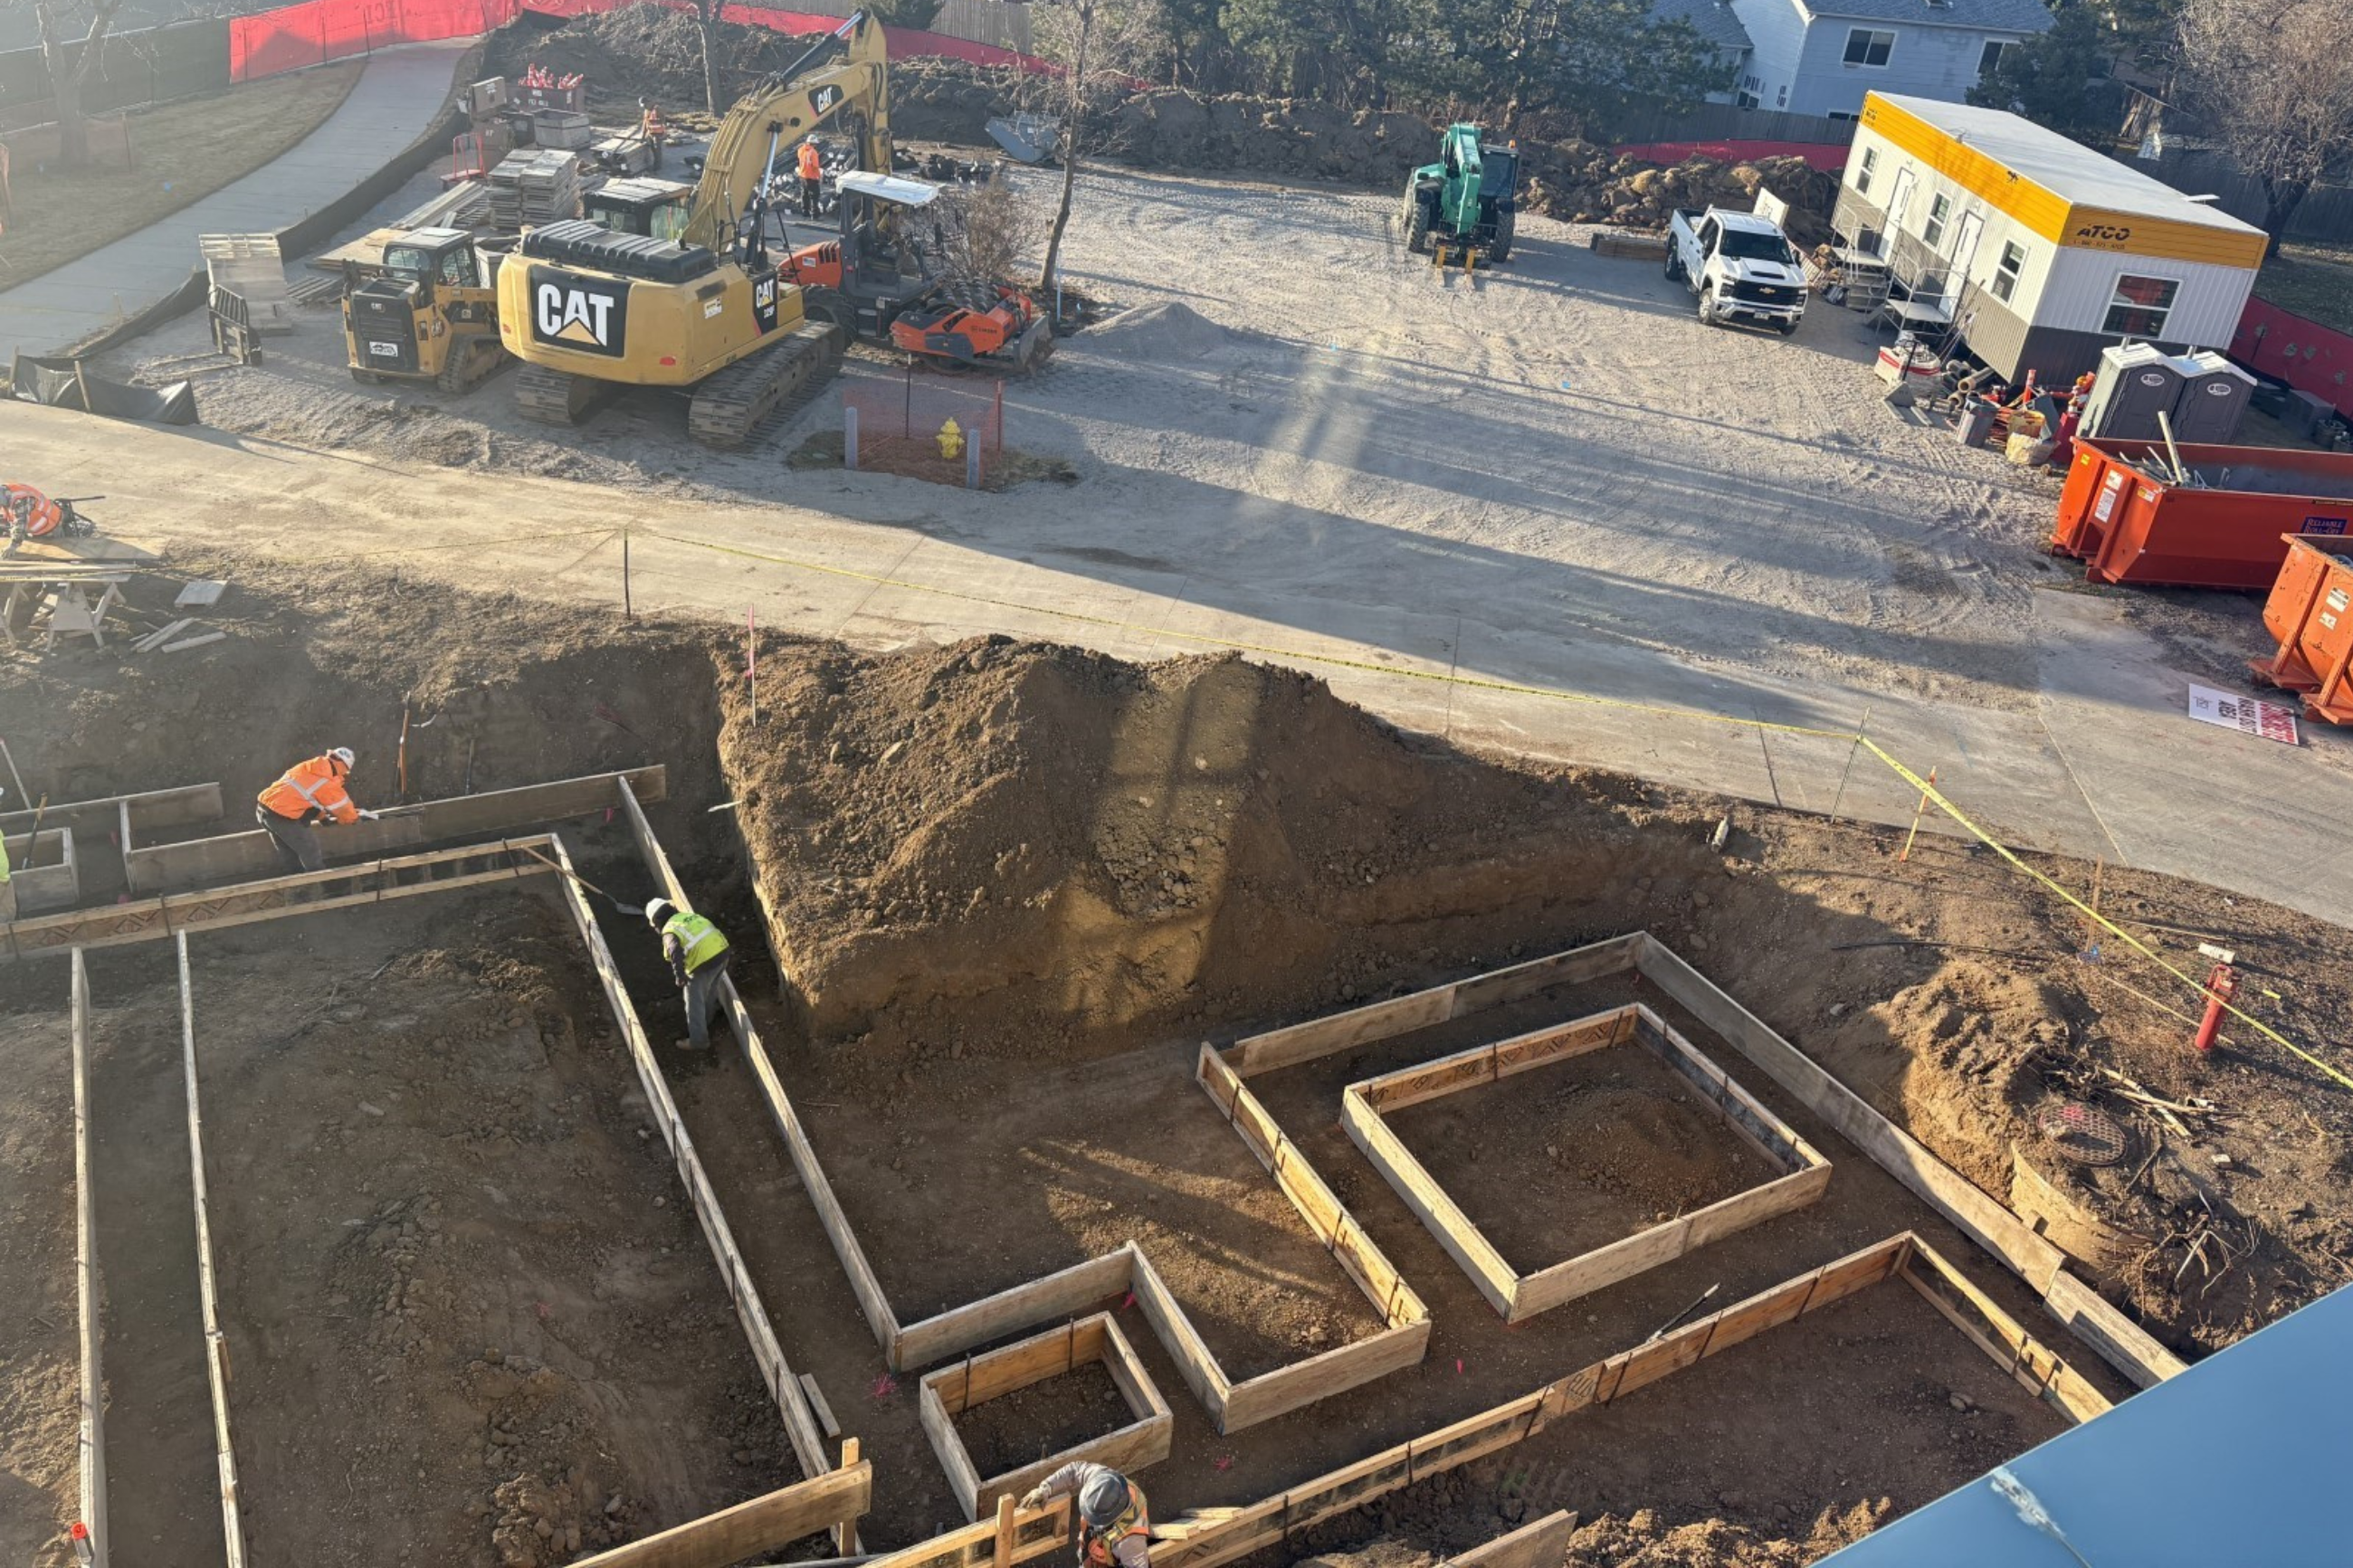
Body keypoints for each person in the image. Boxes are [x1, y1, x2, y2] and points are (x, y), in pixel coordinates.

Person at [254, 747, 377, 873]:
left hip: (265, 809)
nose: (344, 774)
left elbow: (305, 795)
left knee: (290, 854)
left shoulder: (311, 766)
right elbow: (343, 809)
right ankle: (320, 884)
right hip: (282, 816)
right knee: (310, 849)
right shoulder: (327, 780)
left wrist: (322, 817)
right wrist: (353, 818)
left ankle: (298, 886)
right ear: (343, 766)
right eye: (345, 771)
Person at [1020, 1465, 1148, 1568]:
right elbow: (1074, 1471)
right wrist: (1046, 1488)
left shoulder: (1131, 1543)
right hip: (1097, 1545)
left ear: (1112, 1518)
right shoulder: (1103, 1480)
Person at [646, 898, 731, 1050]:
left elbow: (674, 951)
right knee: (711, 990)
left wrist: (680, 976)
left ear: (657, 921)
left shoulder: (670, 930)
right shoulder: (686, 917)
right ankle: (708, 1019)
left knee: (694, 1004)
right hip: (722, 953)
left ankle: (699, 1041)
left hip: (703, 963)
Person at [797, 136, 824, 220]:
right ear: (814, 144)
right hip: (811, 177)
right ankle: (814, 215)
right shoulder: (813, 152)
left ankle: (805, 212)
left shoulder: (801, 150)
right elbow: (815, 166)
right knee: (814, 196)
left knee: (804, 194)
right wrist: (819, 177)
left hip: (802, 175)